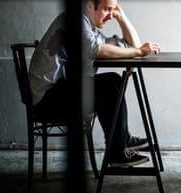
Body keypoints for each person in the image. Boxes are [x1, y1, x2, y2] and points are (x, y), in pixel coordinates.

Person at [29, 0, 161, 167]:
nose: (110, 15)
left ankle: (122, 141)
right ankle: (117, 152)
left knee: (113, 79)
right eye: (106, 9)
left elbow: (131, 46)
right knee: (107, 88)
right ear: (90, 5)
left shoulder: (92, 31)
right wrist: (139, 51)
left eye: (112, 11)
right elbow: (96, 49)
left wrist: (121, 17)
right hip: (48, 98)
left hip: (62, 90)